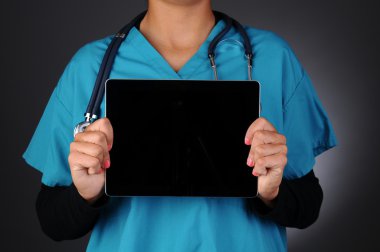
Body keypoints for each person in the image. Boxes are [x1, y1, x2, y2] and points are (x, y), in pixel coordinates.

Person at [23, 0, 337, 251]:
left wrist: (272, 193)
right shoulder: (89, 66)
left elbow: (307, 205)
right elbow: (53, 221)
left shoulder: (273, 57)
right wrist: (85, 195)